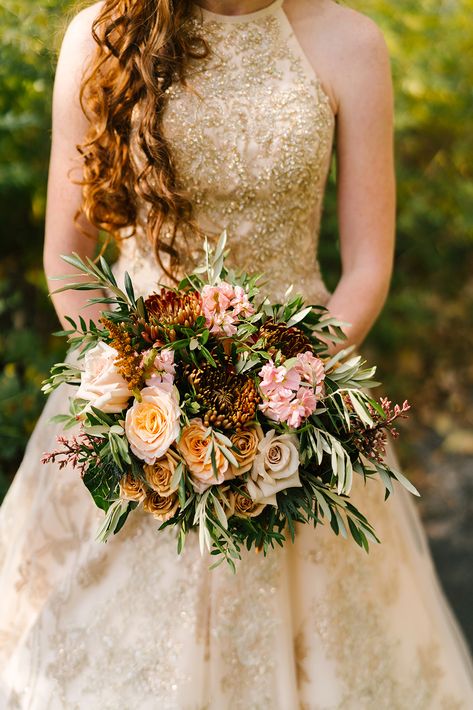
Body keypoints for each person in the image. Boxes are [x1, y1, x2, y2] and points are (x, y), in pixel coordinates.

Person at [1, 0, 472, 706]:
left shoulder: (350, 42)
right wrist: (130, 391)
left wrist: (290, 389)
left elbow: (367, 267)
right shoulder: (100, 35)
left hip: (301, 403)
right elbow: (68, 260)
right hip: (135, 398)